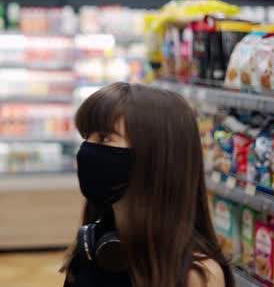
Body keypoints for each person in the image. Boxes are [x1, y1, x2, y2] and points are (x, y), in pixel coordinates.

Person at [61, 83, 234, 287]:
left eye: (104, 138)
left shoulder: (196, 276)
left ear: (155, 157)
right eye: (85, 137)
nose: (85, 150)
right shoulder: (93, 246)